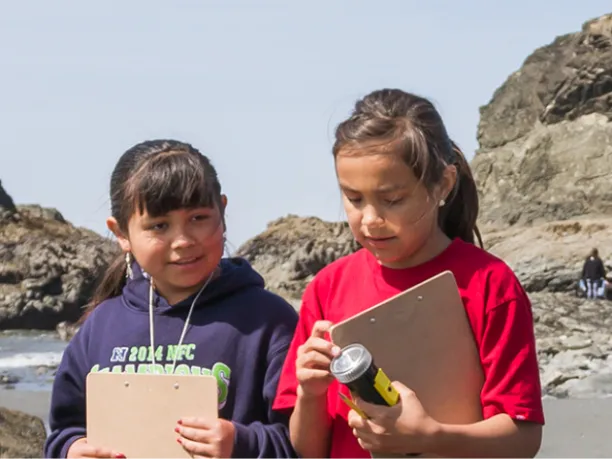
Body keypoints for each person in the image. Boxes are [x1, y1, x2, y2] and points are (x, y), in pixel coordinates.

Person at [273, 89, 544, 458]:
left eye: (393, 199)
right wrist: (310, 392)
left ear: (442, 185)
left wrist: (430, 437)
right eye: (354, 199)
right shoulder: (326, 288)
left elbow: (523, 438)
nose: (370, 219)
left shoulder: (489, 284)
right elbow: (307, 449)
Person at [43, 139, 298, 459]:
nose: (183, 241)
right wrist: (72, 450)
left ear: (222, 210)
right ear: (122, 233)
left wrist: (241, 443)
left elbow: (304, 442)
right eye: (159, 226)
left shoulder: (268, 321)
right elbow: (64, 431)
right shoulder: (101, 325)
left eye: (198, 218)